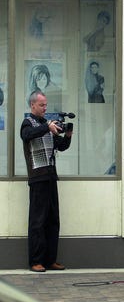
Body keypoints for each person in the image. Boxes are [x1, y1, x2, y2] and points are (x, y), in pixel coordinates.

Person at [20, 91, 73, 272]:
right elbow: (27, 135)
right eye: (42, 105)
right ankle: (35, 261)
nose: (45, 108)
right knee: (37, 220)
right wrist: (48, 127)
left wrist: (68, 134)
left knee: (53, 220)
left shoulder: (46, 125)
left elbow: (61, 146)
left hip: (51, 177)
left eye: (46, 105)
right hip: (37, 178)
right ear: (33, 105)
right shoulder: (28, 123)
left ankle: (51, 260)